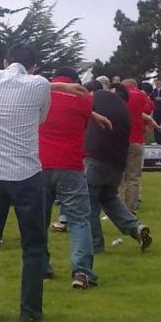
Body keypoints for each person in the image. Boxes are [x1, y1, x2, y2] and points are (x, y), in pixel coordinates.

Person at [0, 43, 88, 322]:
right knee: (33, 244)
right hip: (25, 174)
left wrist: (59, 87)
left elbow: (15, 77)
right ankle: (30, 311)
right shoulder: (40, 85)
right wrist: (63, 88)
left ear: (6, 61)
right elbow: (41, 115)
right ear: (34, 67)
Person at [39, 67, 98, 288]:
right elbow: (83, 126)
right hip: (71, 164)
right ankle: (82, 272)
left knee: (39, 220)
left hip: (40, 163)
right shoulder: (84, 98)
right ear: (75, 80)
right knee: (79, 220)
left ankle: (40, 266)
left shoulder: (40, 93)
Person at [84, 81, 153, 255]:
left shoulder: (101, 96)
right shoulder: (124, 113)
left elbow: (82, 103)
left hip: (96, 158)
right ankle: (136, 228)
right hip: (116, 165)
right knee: (109, 198)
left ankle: (96, 245)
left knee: (89, 202)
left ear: (113, 91)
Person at [120, 78, 157, 212]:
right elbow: (149, 107)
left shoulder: (118, 94)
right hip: (137, 139)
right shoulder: (142, 96)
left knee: (119, 176)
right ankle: (131, 208)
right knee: (133, 177)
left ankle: (118, 209)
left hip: (120, 140)